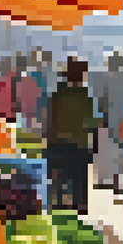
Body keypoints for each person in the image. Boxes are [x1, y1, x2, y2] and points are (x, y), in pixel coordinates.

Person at [44, 59, 99, 215]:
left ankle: (59, 203)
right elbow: (92, 122)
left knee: (60, 175)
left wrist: (48, 140)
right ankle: (79, 204)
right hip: (79, 142)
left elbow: (50, 118)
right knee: (79, 175)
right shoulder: (85, 96)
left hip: (58, 140)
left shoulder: (58, 94)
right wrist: (94, 144)